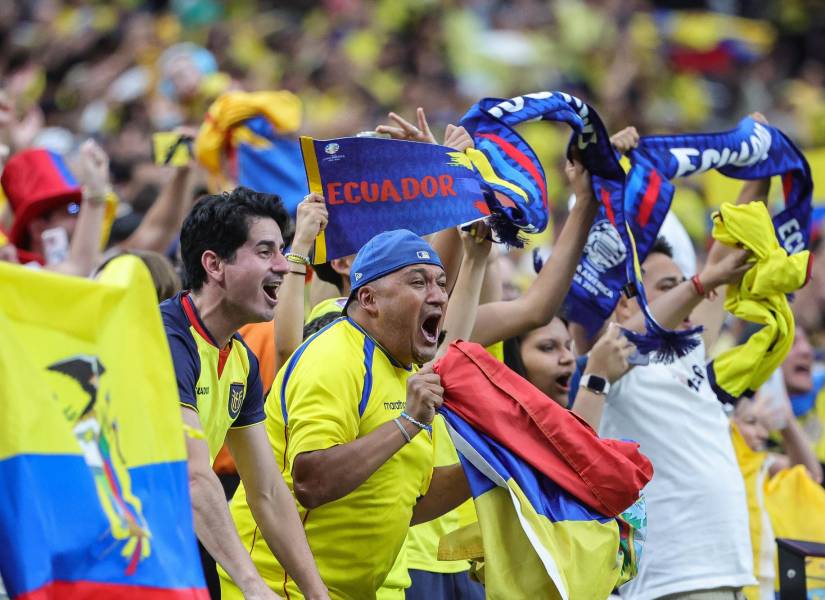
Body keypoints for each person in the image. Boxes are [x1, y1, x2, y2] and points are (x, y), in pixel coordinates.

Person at [221, 229, 470, 600]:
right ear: (369, 298)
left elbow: (409, 503)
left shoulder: (406, 371)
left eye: (441, 283)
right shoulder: (334, 358)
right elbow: (312, 482)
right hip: (281, 589)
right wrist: (408, 423)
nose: (437, 295)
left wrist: (493, 468)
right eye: (418, 282)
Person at [160, 186, 328, 600]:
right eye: (266, 252)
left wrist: (316, 593)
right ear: (214, 265)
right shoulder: (164, 340)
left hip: (179, 541)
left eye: (284, 250)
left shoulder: (242, 360)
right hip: (119, 546)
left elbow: (268, 491)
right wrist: (252, 585)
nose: (284, 266)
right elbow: (194, 478)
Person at [597, 233, 755, 600]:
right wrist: (700, 284)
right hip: (674, 582)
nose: (689, 298)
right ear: (625, 304)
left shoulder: (690, 354)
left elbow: (731, 244)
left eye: (685, 286)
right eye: (670, 287)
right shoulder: (614, 365)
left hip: (730, 576)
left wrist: (761, 177)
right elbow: (628, 336)